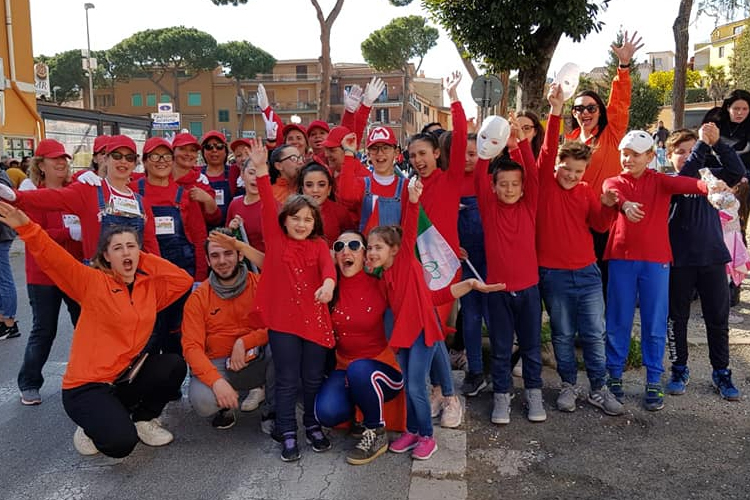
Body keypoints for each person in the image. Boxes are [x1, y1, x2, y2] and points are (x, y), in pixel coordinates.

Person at [0, 202, 193, 458]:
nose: (126, 253)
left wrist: (140, 255)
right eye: (117, 248)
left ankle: (142, 419)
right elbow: (54, 259)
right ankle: (91, 426)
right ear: (105, 256)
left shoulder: (149, 288)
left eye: (131, 247)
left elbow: (183, 280)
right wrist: (27, 227)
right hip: (86, 386)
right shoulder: (91, 284)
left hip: (124, 377)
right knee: (121, 444)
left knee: (174, 365)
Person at [602, 130, 725, 412]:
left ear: (649, 157)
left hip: (656, 262)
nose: (627, 158)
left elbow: (692, 185)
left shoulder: (661, 181)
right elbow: (614, 193)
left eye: (634, 154)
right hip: (621, 259)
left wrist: (713, 187)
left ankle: (654, 379)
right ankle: (614, 376)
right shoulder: (613, 180)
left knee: (654, 322)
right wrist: (625, 204)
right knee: (618, 319)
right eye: (624, 153)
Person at [247, 138, 336, 462]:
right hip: (284, 323)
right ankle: (286, 430)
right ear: (285, 220)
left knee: (312, 378)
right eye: (295, 218)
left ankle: (312, 425)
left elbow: (329, 272)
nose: (301, 223)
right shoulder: (275, 239)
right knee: (286, 380)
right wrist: (259, 170)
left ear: (315, 223)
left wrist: (327, 286)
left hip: (314, 321)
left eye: (307, 219)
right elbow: (267, 204)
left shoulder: (320, 246)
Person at [536, 90, 623, 416]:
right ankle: (569, 385)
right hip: (553, 274)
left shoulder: (587, 191)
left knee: (594, 334)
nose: (571, 176)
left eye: (578, 171)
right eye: (566, 169)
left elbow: (599, 226)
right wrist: (555, 110)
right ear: (557, 165)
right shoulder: (544, 182)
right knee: (562, 334)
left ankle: (598, 389)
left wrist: (609, 208)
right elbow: (545, 152)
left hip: (587, 272)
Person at [473, 105, 550, 425]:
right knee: (502, 350)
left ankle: (534, 395)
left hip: (529, 289)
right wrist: (484, 145)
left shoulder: (529, 204)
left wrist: (518, 143)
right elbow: (480, 173)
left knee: (531, 348)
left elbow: (532, 174)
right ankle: (501, 399)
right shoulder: (489, 208)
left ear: (522, 189)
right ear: (493, 187)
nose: (508, 188)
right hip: (498, 291)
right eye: (502, 184)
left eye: (514, 185)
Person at [665, 125, 744, 401]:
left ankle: (721, 371)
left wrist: (717, 142)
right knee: (677, 319)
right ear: (668, 156)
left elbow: (737, 171)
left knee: (717, 319)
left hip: (712, 258)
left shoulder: (711, 178)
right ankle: (679, 368)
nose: (687, 156)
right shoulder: (668, 181)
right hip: (679, 261)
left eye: (692, 150)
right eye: (680, 152)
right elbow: (687, 177)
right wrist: (700, 146)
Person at [314, 230, 405, 465]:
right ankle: (359, 412)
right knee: (325, 413)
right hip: (344, 367)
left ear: (365, 254)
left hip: (383, 370)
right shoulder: (328, 291)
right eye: (339, 246)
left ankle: (376, 432)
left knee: (359, 370)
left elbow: (406, 271)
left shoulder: (380, 283)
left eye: (354, 245)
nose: (347, 251)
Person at [407, 72, 466, 429]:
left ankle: (450, 396)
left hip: (445, 271)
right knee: (426, 335)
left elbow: (460, 140)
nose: (418, 160)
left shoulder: (451, 178)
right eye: (413, 155)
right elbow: (407, 228)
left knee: (436, 334)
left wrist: (456, 98)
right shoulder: (409, 186)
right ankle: (436, 391)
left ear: (436, 153)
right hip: (417, 272)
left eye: (424, 154)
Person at [0, 136, 161, 260]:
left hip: (134, 279)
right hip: (98, 279)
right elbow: (53, 197)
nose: (123, 162)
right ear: (105, 159)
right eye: (117, 156)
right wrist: (17, 196)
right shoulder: (88, 191)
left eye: (130, 157)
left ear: (135, 163)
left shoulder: (140, 202)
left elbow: (150, 243)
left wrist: (158, 275)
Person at [567, 31, 643, 291]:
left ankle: (607, 329)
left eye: (591, 107)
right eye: (579, 108)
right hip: (577, 221)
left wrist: (623, 67)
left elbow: (619, 103)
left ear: (599, 111)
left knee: (606, 279)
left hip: (608, 219)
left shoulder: (611, 135)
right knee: (581, 279)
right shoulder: (571, 141)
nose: (585, 112)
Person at [182, 228, 272, 429]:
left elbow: (276, 325)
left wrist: (245, 342)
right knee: (203, 402)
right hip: (219, 363)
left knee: (281, 347)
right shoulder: (198, 298)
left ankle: (271, 409)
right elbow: (191, 348)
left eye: (228, 253)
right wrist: (216, 382)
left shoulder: (258, 285)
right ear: (207, 260)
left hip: (254, 358)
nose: (222, 261)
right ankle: (225, 406)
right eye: (215, 255)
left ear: (240, 254)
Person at [16, 140, 83, 405]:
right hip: (43, 275)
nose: (61, 163)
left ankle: (89, 375)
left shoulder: (74, 192)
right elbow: (35, 235)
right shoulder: (34, 197)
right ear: (40, 165)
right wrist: (69, 233)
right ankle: (29, 382)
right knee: (44, 330)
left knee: (86, 326)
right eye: (54, 159)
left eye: (63, 158)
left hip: (75, 271)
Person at [133, 137, 209, 357]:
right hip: (142, 274)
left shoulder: (184, 196)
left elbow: (199, 237)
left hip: (179, 274)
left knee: (176, 334)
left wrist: (199, 278)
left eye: (165, 156)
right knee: (146, 333)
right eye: (155, 156)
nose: (161, 161)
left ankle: (171, 386)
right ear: (145, 161)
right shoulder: (132, 190)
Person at [171, 132, 222, 228]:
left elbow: (215, 220)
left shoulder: (201, 181)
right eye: (182, 149)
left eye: (193, 150)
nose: (188, 154)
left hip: (194, 241)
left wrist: (208, 200)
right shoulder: (161, 177)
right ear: (173, 151)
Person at [297, 162, 354, 246]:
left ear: (329, 189)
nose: (315, 190)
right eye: (309, 185)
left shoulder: (340, 212)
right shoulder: (292, 212)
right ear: (302, 189)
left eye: (321, 185)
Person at [201, 131, 234, 228]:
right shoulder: (196, 174)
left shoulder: (235, 172)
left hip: (230, 229)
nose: (214, 150)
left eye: (219, 146)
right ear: (203, 151)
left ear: (226, 151)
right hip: (203, 229)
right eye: (209, 147)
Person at [0, 169, 19, 340]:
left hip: (2, 233)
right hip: (4, 232)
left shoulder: (1, 178)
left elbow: (7, 203)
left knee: (4, 279)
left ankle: (9, 323)